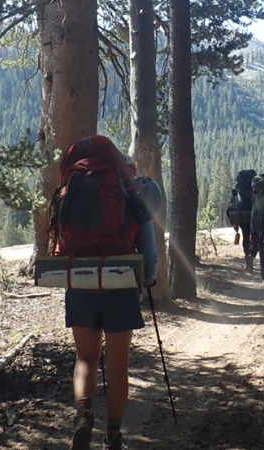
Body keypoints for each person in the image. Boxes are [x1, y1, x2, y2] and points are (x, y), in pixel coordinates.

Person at [59, 139, 159, 450]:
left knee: (85, 358)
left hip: (79, 281)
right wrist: (150, 279)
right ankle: (113, 437)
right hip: (120, 282)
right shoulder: (129, 192)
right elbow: (150, 253)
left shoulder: (73, 183)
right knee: (118, 365)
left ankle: (83, 415)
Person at [227, 169, 259, 273]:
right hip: (255, 216)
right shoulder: (256, 187)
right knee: (256, 237)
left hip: (241, 216)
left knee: (246, 237)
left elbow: (232, 204)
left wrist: (234, 221)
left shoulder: (238, 188)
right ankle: (252, 255)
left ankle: (247, 258)